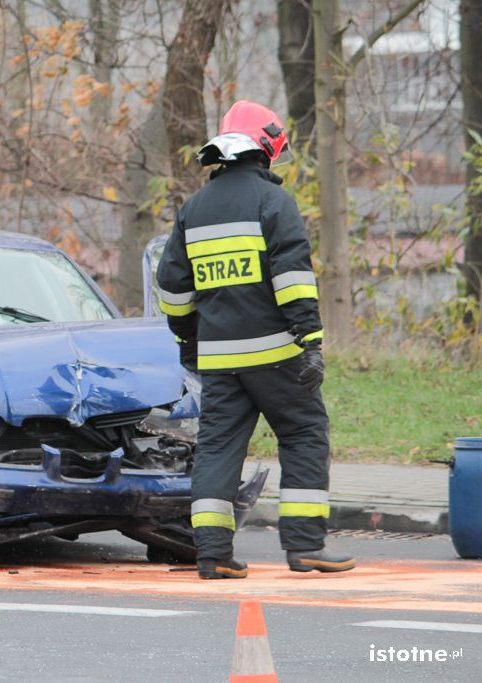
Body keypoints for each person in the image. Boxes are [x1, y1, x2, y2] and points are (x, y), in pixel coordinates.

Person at [156, 100, 355, 580]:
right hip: (278, 353)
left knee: (218, 448)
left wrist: (189, 342)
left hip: (220, 358)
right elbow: (293, 277)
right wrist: (309, 340)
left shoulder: (193, 209)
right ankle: (306, 546)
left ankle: (212, 553)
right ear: (265, 149)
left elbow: (172, 287)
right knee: (305, 434)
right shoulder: (274, 202)